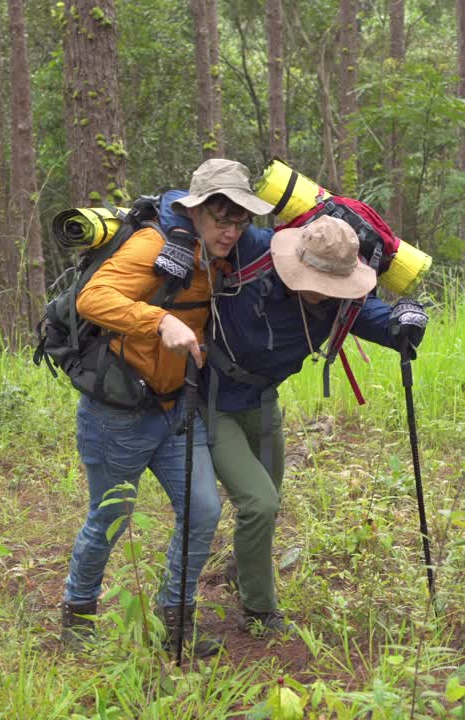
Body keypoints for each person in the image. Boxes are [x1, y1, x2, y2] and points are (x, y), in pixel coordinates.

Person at [159, 205, 427, 637]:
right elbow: (182, 201)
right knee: (260, 503)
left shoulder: (343, 292)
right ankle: (260, 612)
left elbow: (379, 320)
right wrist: (175, 234)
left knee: (268, 502)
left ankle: (243, 570)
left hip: (263, 400)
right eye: (317, 282)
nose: (323, 292)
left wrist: (408, 320)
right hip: (215, 399)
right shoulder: (254, 248)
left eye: (334, 284)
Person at [60, 158, 274, 657]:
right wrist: (158, 321)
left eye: (240, 219)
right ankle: (78, 614)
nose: (231, 230)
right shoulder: (152, 245)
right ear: (196, 210)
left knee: (203, 511)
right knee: (110, 519)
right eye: (221, 219)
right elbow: (93, 299)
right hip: (118, 412)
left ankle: (175, 618)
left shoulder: (224, 252)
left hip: (178, 410)